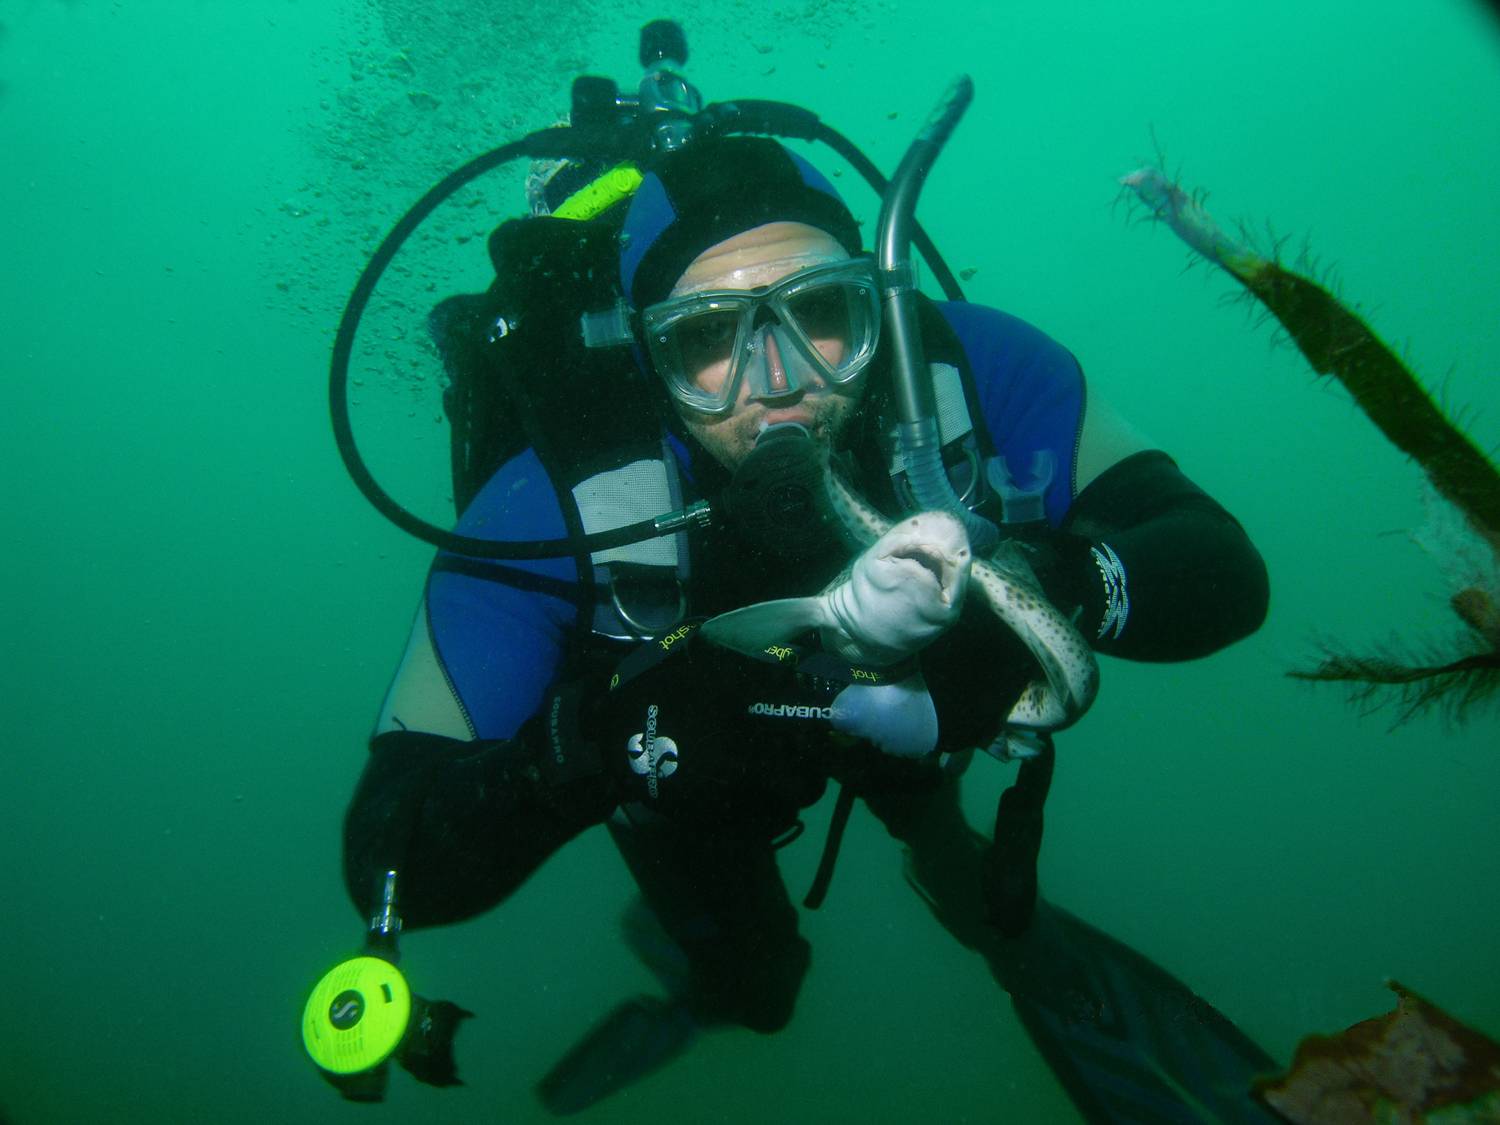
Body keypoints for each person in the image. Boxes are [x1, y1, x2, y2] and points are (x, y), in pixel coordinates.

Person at [341, 136, 1274, 1119]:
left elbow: (1220, 566)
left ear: (878, 307)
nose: (778, 381)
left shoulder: (968, 370)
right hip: (697, 779)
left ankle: (952, 869)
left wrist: (1046, 594)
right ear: (649, 362)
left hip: (915, 710)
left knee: (962, 871)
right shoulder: (548, 504)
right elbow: (385, 852)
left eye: (821, 312)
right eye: (709, 337)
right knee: (761, 988)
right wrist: (604, 746)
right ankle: (721, 977)